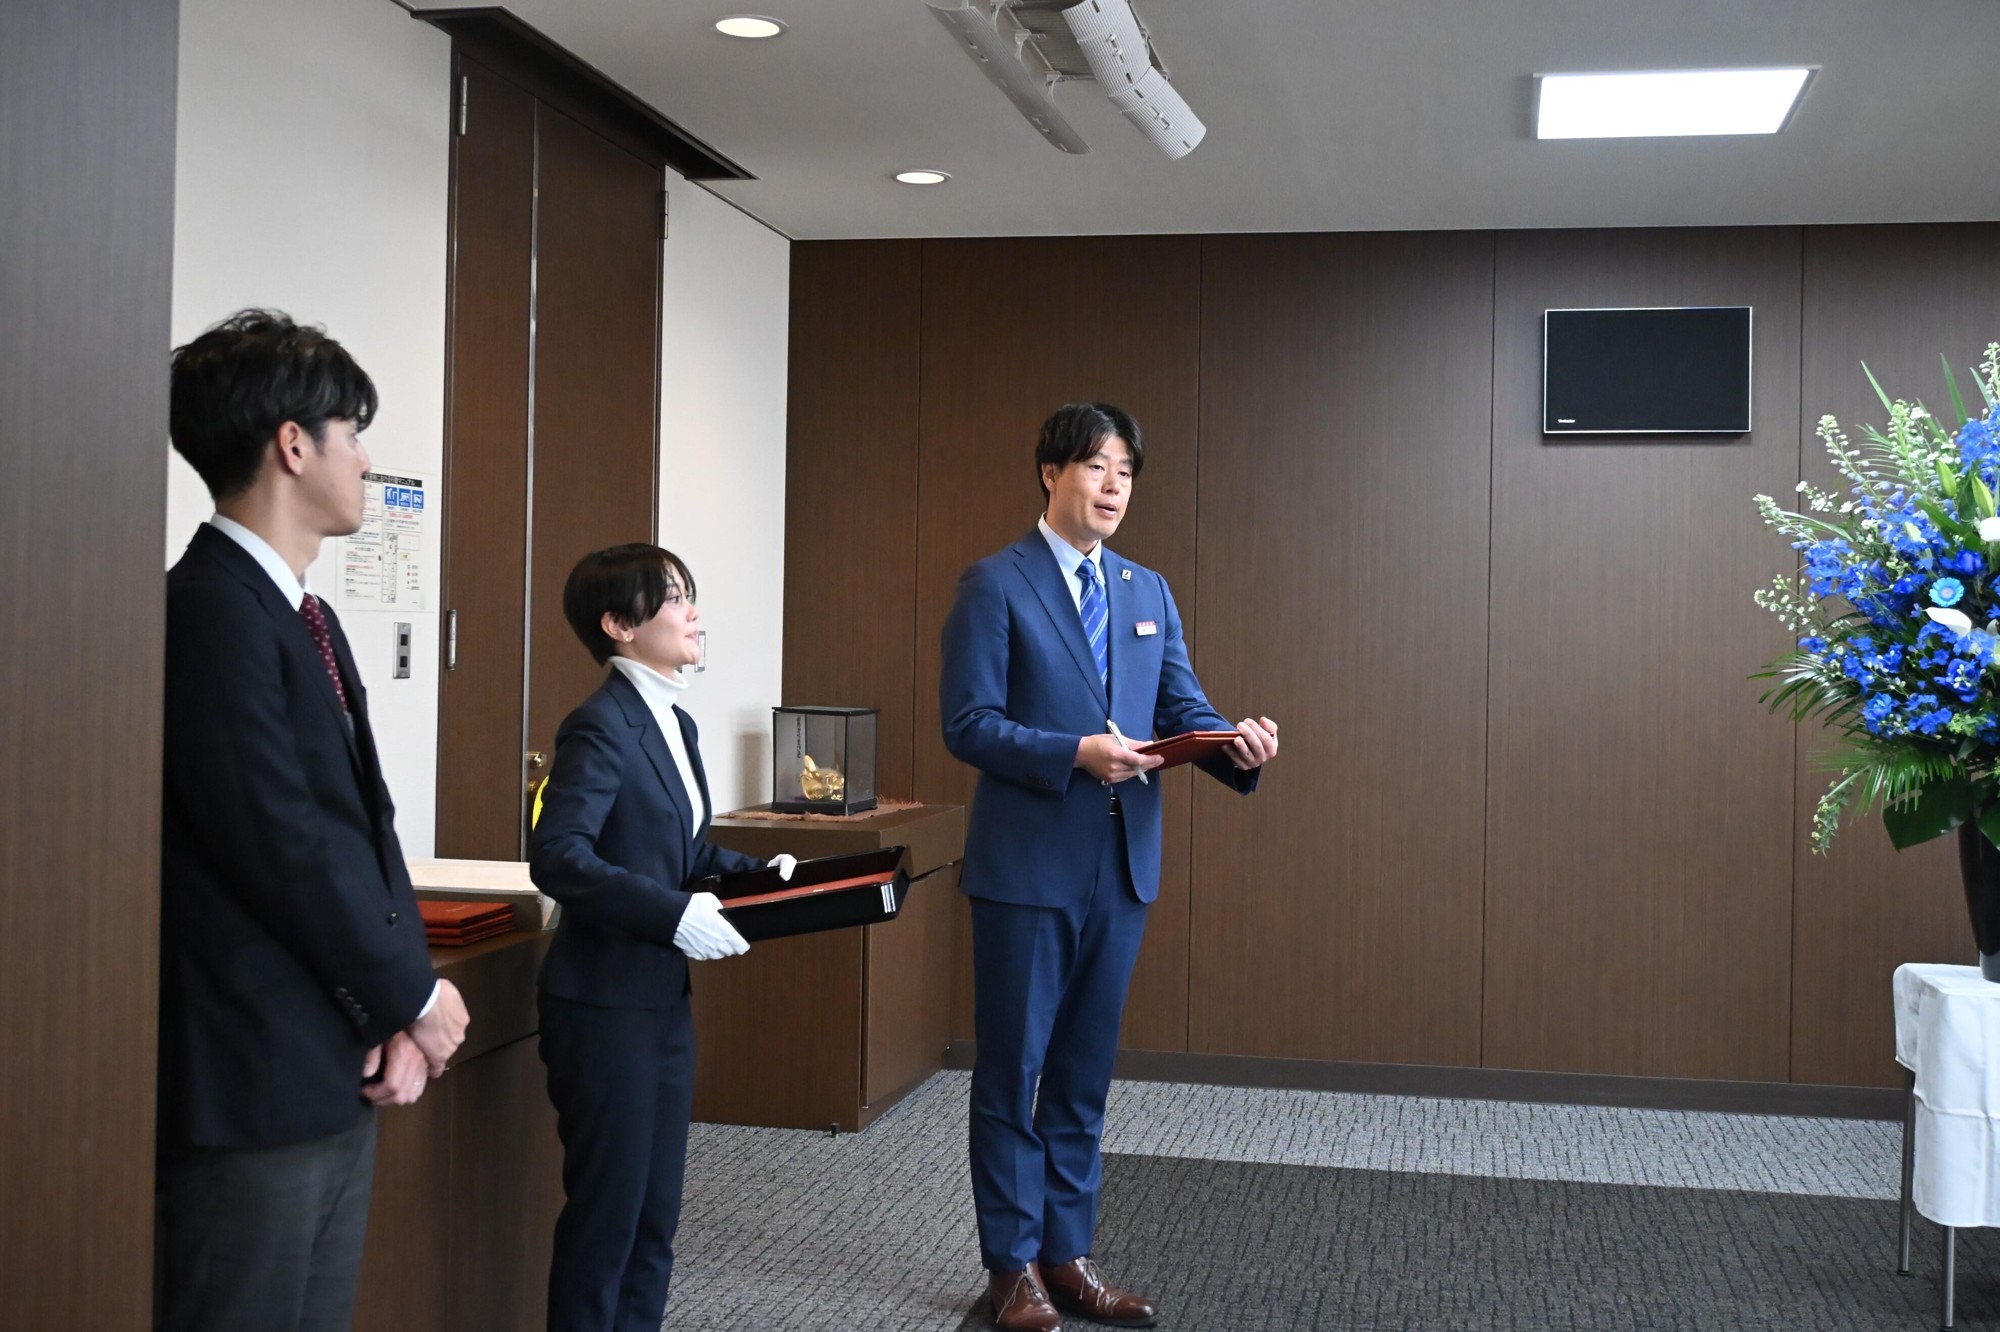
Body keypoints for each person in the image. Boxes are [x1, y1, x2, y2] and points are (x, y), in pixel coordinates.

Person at [158, 308, 471, 1332]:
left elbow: (364, 830)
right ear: (293, 445)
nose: (366, 458)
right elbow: (278, 843)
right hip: (249, 1072)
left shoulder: (307, 615)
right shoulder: (208, 609)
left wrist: (394, 1008)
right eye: (353, 432)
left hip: (333, 1054)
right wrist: (411, 993)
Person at [941, 403, 1279, 1330]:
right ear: (1051, 472)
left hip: (1122, 870)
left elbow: (1184, 710)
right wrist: (1073, 753)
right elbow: (968, 725)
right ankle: (1010, 1268)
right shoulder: (995, 584)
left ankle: (1067, 1256)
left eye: (1126, 470)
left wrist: (1235, 745)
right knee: (1014, 1072)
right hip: (1026, 871)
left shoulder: (1146, 590)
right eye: (1096, 465)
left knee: (1083, 1075)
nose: (1114, 485)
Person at [530, 543, 793, 1332]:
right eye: (674, 598)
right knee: (607, 1219)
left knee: (655, 1220)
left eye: (687, 594)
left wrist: (761, 875)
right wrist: (670, 914)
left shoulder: (673, 720)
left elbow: (685, 852)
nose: (692, 613)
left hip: (661, 1002)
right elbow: (558, 855)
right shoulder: (599, 725)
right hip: (602, 1006)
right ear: (619, 624)